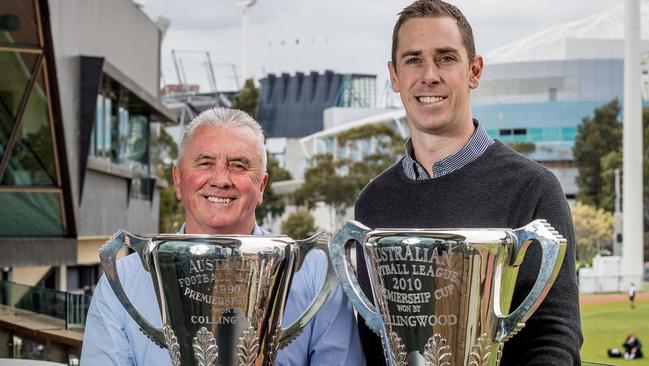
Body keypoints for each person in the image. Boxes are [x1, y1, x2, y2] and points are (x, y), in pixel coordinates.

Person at [354, 1, 582, 364]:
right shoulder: (372, 202)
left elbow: (555, 337)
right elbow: (372, 338)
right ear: (394, 76)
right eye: (413, 60)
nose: (429, 75)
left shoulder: (534, 189)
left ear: (474, 71)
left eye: (446, 58)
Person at [81, 107, 365, 365]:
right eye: (204, 163)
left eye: (239, 165)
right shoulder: (123, 281)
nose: (220, 179)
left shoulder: (315, 275)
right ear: (178, 180)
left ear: (262, 185)